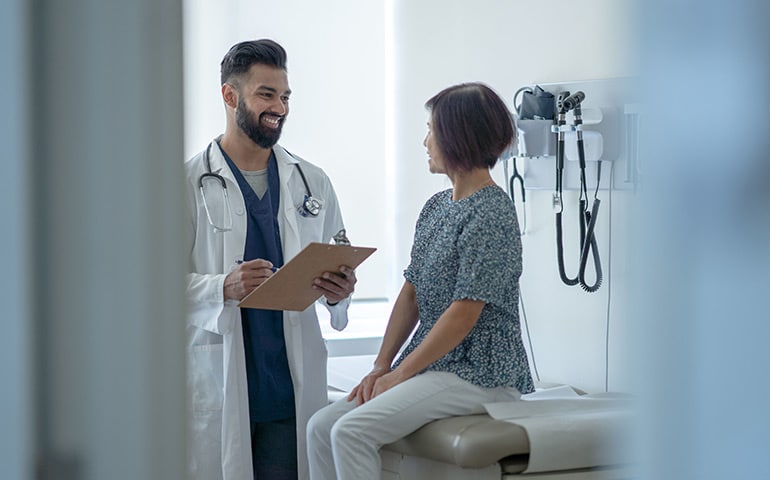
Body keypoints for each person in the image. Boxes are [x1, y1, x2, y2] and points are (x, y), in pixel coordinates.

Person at [306, 82, 535, 479]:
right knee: (320, 427)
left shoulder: (493, 213)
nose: (425, 140)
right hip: (439, 366)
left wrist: (401, 374)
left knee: (351, 431)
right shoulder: (435, 208)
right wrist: (381, 366)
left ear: (457, 136)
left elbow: (464, 313)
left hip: (480, 373)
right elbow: (411, 294)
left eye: (431, 129)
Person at [184, 39, 357, 480]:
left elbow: (336, 263)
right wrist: (221, 286)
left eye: (285, 96)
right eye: (266, 94)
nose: (279, 106)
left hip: (287, 386)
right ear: (230, 96)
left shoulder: (311, 181)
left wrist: (339, 292)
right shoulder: (185, 183)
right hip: (220, 377)